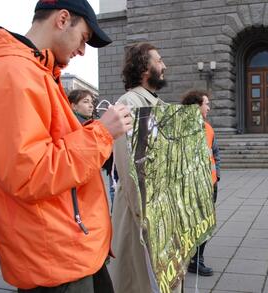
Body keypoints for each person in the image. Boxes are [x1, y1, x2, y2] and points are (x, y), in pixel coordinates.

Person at [0, 0, 133, 291]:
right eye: (83, 38)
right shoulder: (11, 73)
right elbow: (31, 173)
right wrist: (102, 133)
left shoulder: (35, 72)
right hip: (55, 259)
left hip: (69, 250)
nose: (83, 50)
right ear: (62, 19)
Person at [109, 42, 169, 293]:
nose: (164, 66)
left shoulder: (160, 105)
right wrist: (145, 218)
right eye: (158, 61)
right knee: (137, 280)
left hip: (162, 208)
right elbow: (129, 167)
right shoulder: (129, 102)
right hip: (141, 212)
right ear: (145, 67)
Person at [181, 90, 221, 276]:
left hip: (210, 185)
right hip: (192, 188)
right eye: (206, 104)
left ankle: (198, 260)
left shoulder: (209, 128)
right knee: (190, 225)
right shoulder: (181, 129)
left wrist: (217, 177)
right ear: (196, 106)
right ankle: (187, 259)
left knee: (206, 224)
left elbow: (216, 155)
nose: (208, 108)